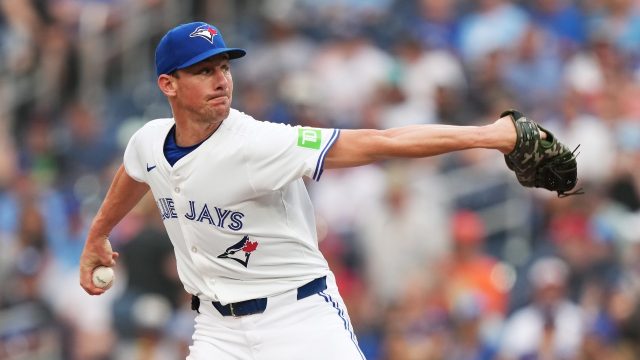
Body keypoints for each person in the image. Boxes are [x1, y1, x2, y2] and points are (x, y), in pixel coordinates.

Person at [79, 21, 519, 359]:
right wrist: (99, 233)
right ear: (168, 85)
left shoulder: (258, 144)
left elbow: (382, 142)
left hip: (299, 317)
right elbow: (135, 170)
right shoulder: (150, 140)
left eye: (225, 67)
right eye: (204, 71)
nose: (221, 80)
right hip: (217, 329)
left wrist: (490, 134)